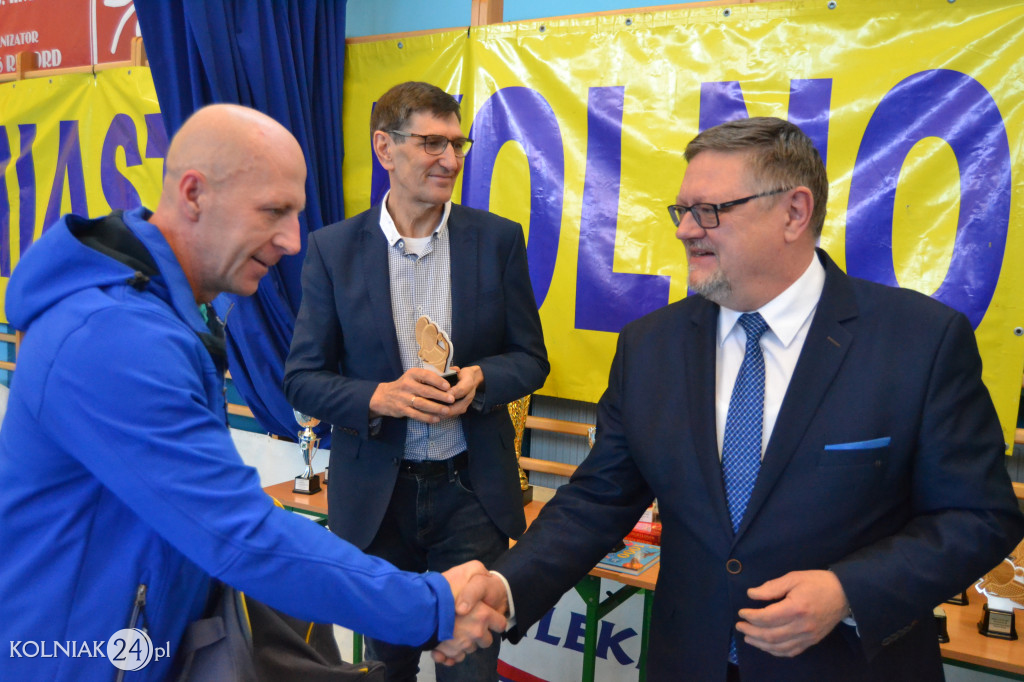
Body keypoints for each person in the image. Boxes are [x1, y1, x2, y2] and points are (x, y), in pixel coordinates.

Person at [443, 117, 1024, 681]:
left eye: (709, 211)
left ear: (794, 212)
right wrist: (506, 587)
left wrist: (849, 591)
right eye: (682, 211)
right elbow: (598, 499)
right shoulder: (651, 346)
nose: (684, 231)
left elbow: (979, 516)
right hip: (688, 661)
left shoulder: (919, 341)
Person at [0, 104, 502, 682]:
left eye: (296, 214)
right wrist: (431, 607)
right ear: (194, 194)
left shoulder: (165, 316)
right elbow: (238, 535)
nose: (290, 241)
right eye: (272, 212)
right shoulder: (113, 337)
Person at [284, 81, 549, 681]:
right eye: (433, 143)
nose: (450, 160)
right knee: (387, 669)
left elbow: (531, 359)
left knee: (470, 672)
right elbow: (301, 379)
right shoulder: (333, 250)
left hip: (470, 496)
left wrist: (482, 378)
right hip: (379, 505)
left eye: (458, 144)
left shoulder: (498, 241)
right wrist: (378, 397)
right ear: (385, 147)